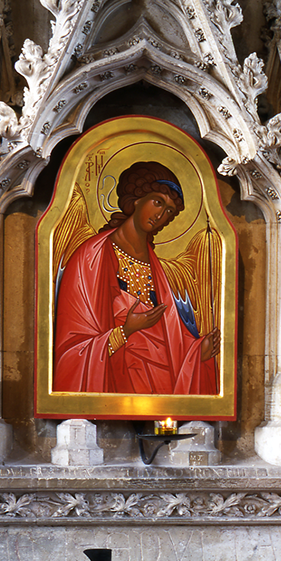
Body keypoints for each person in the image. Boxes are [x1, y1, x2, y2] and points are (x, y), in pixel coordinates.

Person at [53, 160, 219, 396]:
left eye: (169, 211)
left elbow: (169, 336)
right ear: (137, 198)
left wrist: (196, 351)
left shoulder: (156, 268)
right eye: (158, 202)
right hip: (114, 377)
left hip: (157, 386)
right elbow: (73, 345)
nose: (161, 215)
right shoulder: (91, 257)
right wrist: (126, 331)